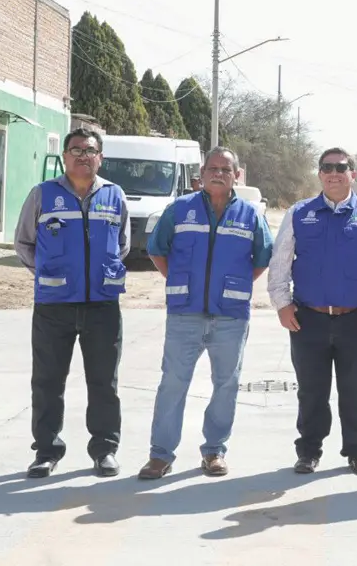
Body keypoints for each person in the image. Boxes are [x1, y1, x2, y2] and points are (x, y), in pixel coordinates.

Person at [136, 148, 273, 480]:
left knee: (226, 384)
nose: (219, 173)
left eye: (226, 169)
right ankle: (160, 456)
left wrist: (231, 285)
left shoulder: (251, 215)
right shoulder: (180, 210)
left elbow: (262, 258)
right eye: (213, 168)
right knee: (173, 383)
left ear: (237, 176)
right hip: (185, 314)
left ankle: (214, 451)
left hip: (230, 317)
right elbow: (156, 249)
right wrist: (183, 281)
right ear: (201, 172)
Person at [268, 148, 357, 475]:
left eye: (340, 168)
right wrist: (282, 305)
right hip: (308, 319)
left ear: (352, 174)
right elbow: (279, 265)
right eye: (326, 167)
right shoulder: (299, 214)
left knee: (354, 389)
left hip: (356, 320)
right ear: (319, 174)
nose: (333, 173)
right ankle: (309, 452)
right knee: (312, 391)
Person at [14, 128, 130, 478]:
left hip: (103, 306)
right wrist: (53, 274)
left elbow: (121, 244)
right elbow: (24, 244)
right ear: (64, 156)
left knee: (104, 382)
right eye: (75, 149)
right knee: (48, 381)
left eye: (89, 150)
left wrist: (96, 275)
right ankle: (46, 451)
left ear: (100, 158)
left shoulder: (115, 195)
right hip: (54, 306)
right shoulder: (42, 195)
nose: (82, 155)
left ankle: (104, 449)